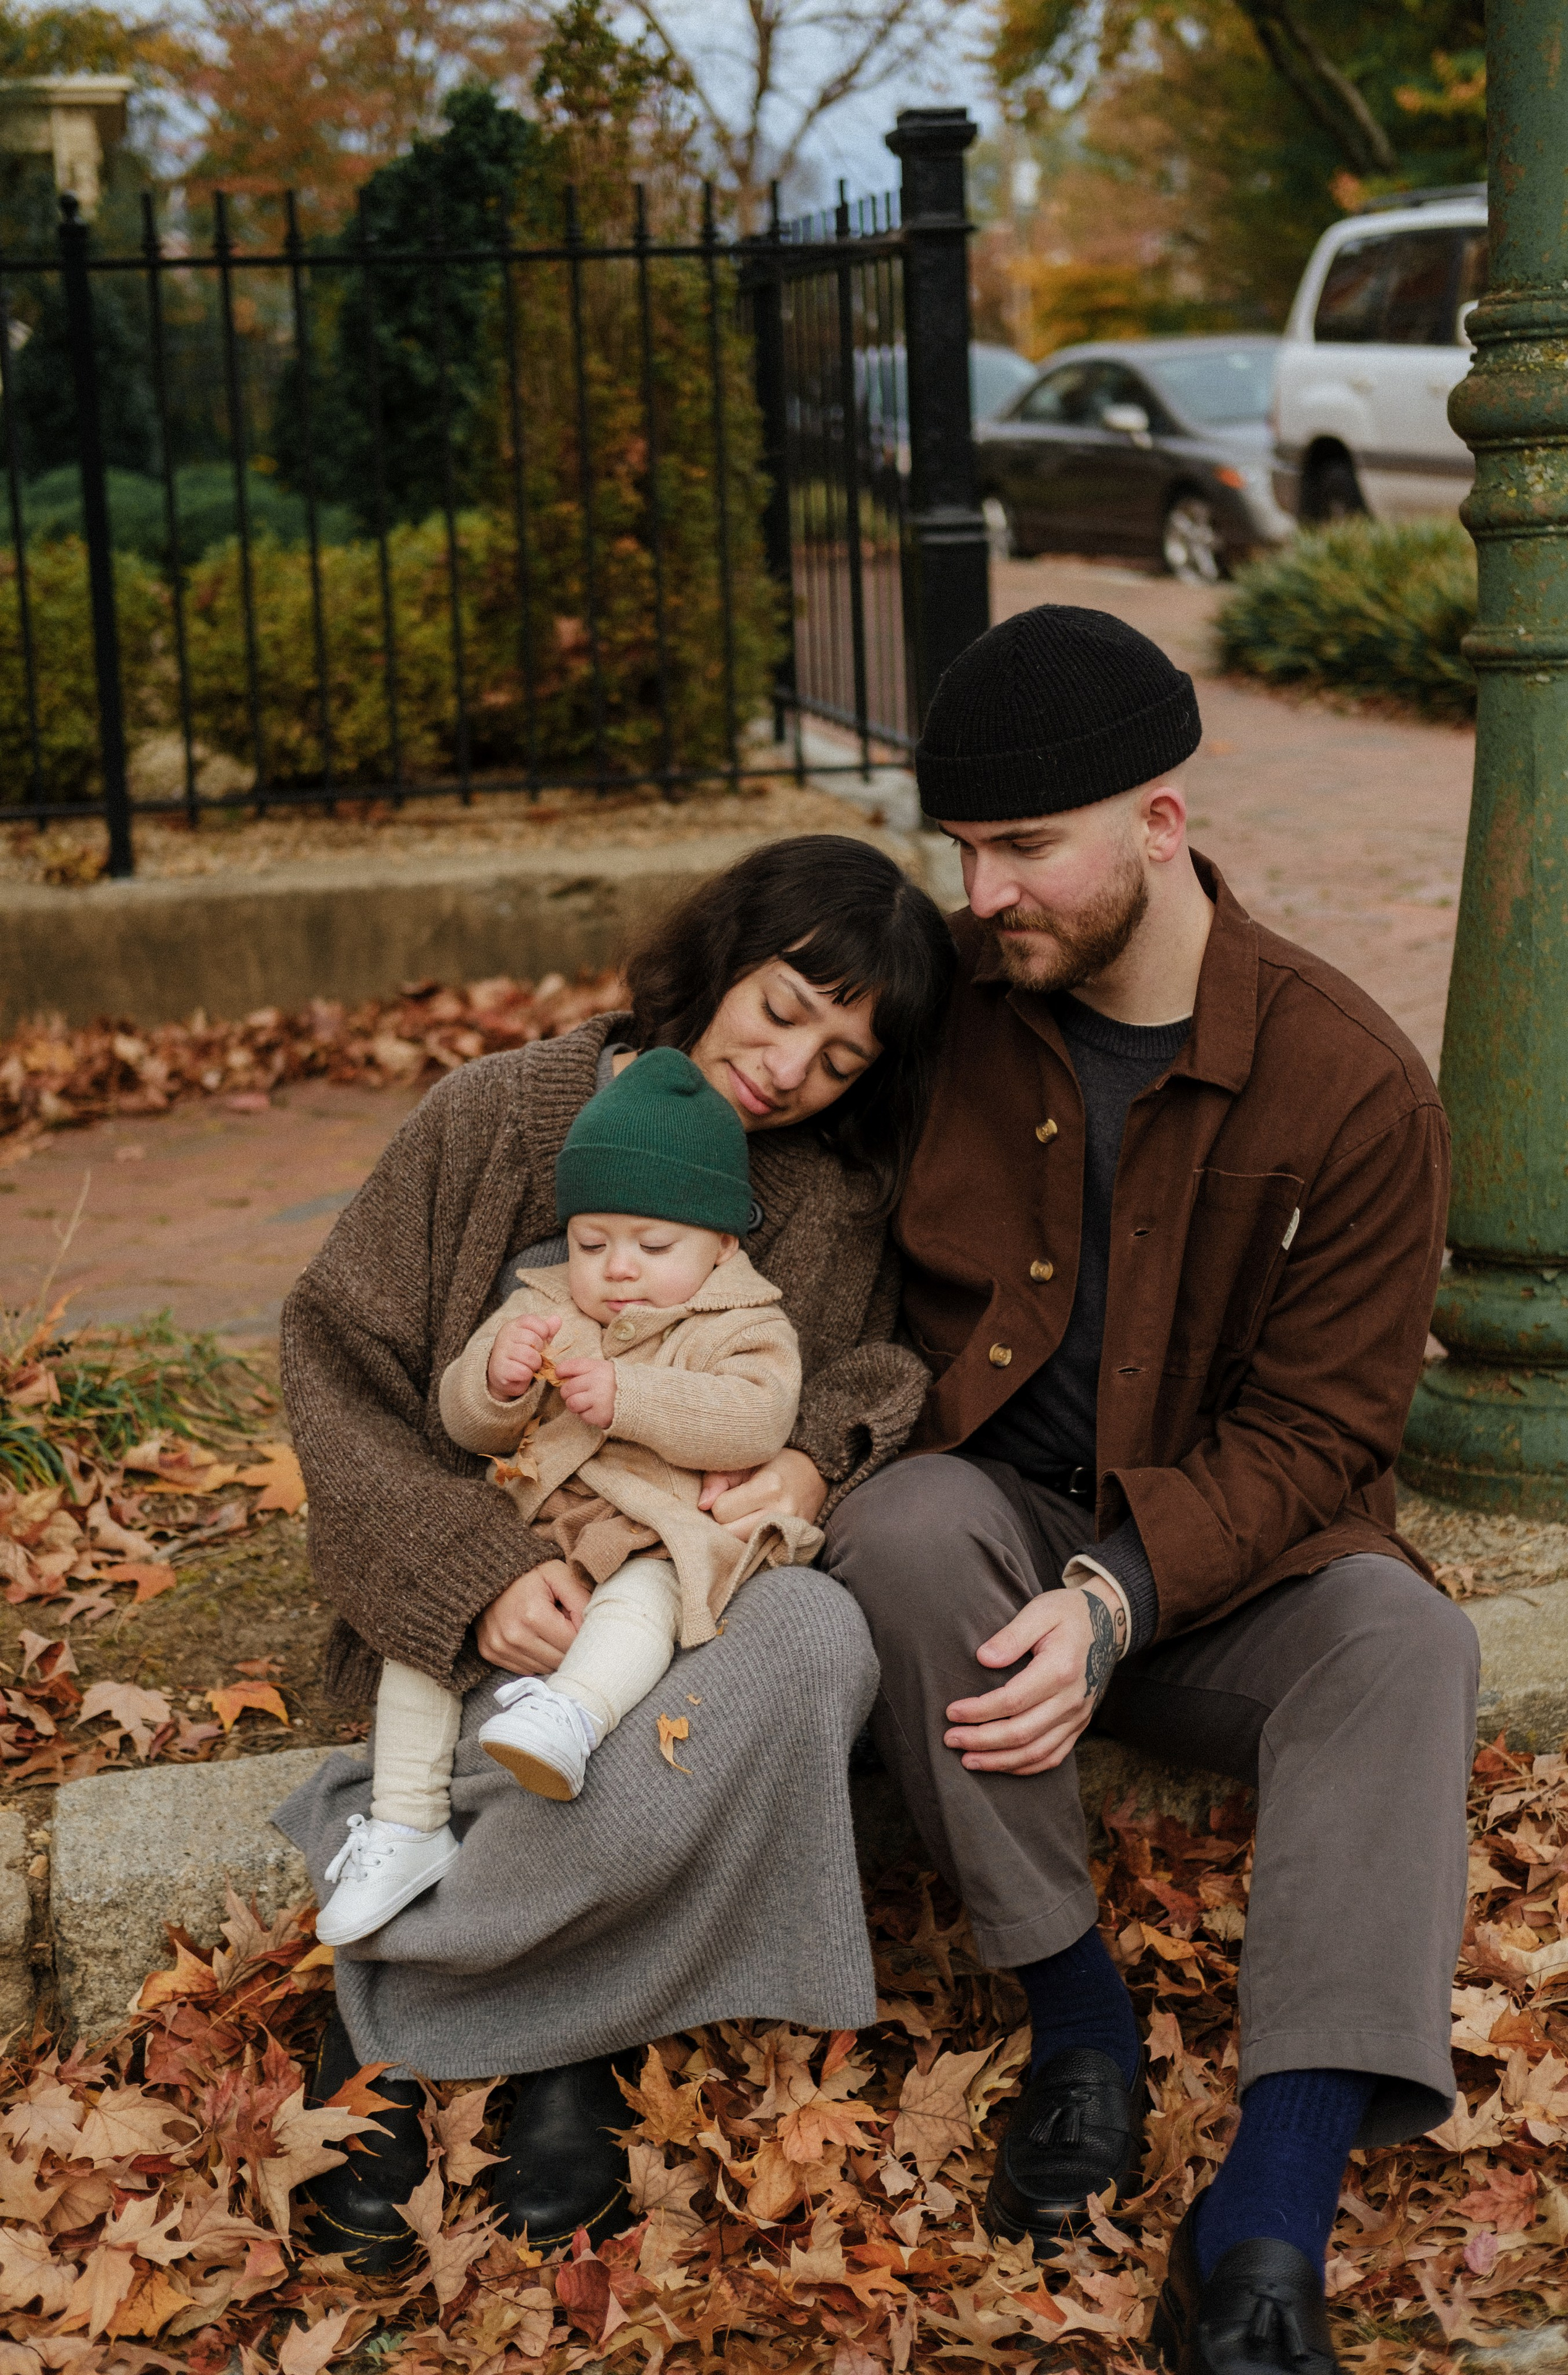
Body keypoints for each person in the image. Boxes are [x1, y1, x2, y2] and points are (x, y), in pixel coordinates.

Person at [823, 607, 1478, 2375]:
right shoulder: (946, 1005)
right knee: (899, 1525)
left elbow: (1324, 1433)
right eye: (961, 850)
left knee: (1408, 1648)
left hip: (1230, 1573)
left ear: (1160, 826)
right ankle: (1082, 2032)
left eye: (1025, 849)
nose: (983, 894)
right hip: (986, 1546)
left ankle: (1263, 2228)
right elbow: (729, 1053)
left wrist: (1119, 1596)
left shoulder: (1352, 1085)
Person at [273, 834, 955, 2269]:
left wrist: (809, 1454)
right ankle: (547, 2036)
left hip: (666, 1598)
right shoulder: (497, 1115)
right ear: (721, 958)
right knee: (564, 1716)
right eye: (780, 1010)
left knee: (816, 1640)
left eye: (840, 1059)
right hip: (481, 1597)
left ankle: (436, 1999)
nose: (790, 1070)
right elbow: (337, 1358)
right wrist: (472, 1576)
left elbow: (876, 1363)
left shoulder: (834, 1196)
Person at [315, 1048, 823, 1946]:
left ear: (723, 1245)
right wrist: (495, 1383)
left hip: (651, 1527)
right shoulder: (544, 1306)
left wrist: (634, 1397)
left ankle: (575, 1713)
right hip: (530, 1530)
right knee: (422, 1643)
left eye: (653, 1246)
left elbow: (755, 1418)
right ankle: (404, 1824)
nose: (618, 1269)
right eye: (593, 1243)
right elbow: (466, 1423)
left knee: (646, 1598)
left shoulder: (745, 1323)